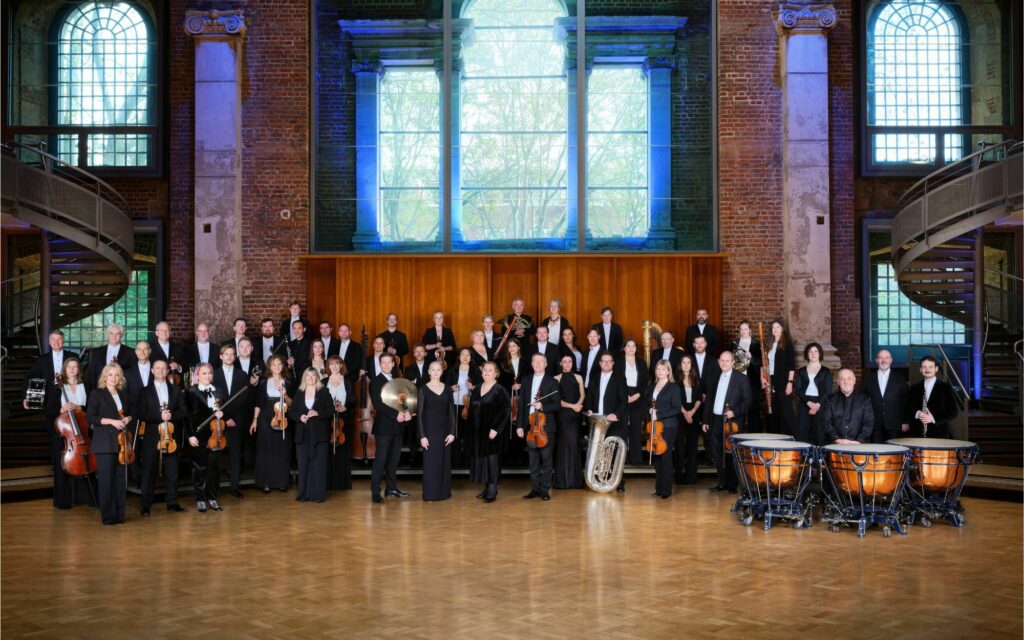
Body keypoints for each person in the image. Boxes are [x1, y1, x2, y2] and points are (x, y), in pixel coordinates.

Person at [22, 331, 79, 509]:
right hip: (52, 410)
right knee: (57, 451)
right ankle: (61, 493)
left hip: (72, 408)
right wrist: (27, 397)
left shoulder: (73, 357)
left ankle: (76, 493)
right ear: (49, 341)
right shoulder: (43, 360)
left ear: (63, 340)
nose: (56, 341)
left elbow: (82, 379)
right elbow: (29, 378)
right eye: (53, 339)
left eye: (59, 339)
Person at [41, 354, 95, 509]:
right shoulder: (58, 387)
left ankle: (89, 498)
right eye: (69, 367)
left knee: (88, 464)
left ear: (79, 369)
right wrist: (62, 408)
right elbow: (48, 411)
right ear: (64, 369)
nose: (72, 369)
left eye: (75, 366)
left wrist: (80, 409)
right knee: (62, 467)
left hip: (84, 430)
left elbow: (91, 408)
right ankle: (62, 501)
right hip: (65, 433)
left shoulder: (85, 386)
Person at [137, 359, 189, 515]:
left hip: (170, 436)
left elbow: (184, 411)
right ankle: (146, 504)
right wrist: (159, 416)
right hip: (152, 437)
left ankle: (172, 502)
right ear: (152, 371)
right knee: (148, 471)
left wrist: (171, 415)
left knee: (173, 471)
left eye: (163, 368)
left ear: (167, 371)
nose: (160, 371)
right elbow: (141, 414)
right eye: (157, 368)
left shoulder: (176, 390)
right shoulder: (145, 391)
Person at [86, 363, 133, 524]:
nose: (114, 378)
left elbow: (130, 413)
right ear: (105, 377)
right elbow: (91, 417)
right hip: (104, 442)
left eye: (117, 375)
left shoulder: (123, 394)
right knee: (106, 481)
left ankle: (120, 516)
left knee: (120, 481)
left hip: (121, 443)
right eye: (111, 374)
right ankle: (107, 516)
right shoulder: (96, 394)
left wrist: (128, 418)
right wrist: (112, 421)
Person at [702, 351, 752, 494]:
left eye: (727, 361)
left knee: (731, 453)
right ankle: (722, 482)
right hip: (715, 420)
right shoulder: (714, 378)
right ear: (719, 362)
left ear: (733, 362)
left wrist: (734, 412)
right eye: (722, 361)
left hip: (732, 422)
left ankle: (732, 484)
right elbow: (709, 401)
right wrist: (705, 421)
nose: (724, 363)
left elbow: (748, 401)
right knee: (717, 454)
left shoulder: (741, 379)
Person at [213, 344, 258, 498]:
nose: (230, 357)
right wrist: (225, 416)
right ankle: (214, 487)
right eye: (226, 354)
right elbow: (214, 398)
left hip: (237, 419)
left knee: (235, 453)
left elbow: (243, 398)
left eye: (232, 354)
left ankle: (234, 486)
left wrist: (231, 416)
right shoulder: (214, 374)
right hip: (218, 420)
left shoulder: (242, 374)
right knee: (216, 453)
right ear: (221, 356)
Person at [516, 353, 561, 500]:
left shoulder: (552, 382)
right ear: (532, 364)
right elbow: (522, 404)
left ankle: (544, 490)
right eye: (535, 361)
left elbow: (557, 404)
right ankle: (534, 489)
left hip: (545, 428)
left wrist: (542, 405)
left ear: (546, 364)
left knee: (546, 461)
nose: (538, 364)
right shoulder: (526, 380)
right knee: (533, 461)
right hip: (530, 427)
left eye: (541, 361)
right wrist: (519, 426)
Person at [370, 354, 413, 503]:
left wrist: (407, 412)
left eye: (389, 362)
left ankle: (392, 489)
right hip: (384, 427)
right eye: (384, 362)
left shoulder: (397, 381)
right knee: (380, 460)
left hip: (398, 426)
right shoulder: (375, 381)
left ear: (393, 364)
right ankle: (376, 492)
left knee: (394, 461)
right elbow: (378, 404)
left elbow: (403, 400)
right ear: (380, 364)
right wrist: (396, 415)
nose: (387, 365)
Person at [288, 368, 333, 503]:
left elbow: (331, 410)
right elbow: (292, 412)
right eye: (308, 375)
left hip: (319, 435)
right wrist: (299, 417)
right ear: (304, 378)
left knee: (319, 464)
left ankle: (318, 495)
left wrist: (318, 413)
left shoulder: (324, 391)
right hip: (302, 434)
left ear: (317, 377)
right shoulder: (299, 392)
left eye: (314, 375)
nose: (311, 378)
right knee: (303, 464)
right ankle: (304, 494)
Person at [185, 363, 225, 513]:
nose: (207, 376)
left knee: (214, 468)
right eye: (203, 373)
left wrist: (222, 414)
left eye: (209, 373)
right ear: (197, 376)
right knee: (200, 468)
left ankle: (213, 497)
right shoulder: (191, 392)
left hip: (216, 435)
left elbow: (223, 410)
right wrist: (190, 436)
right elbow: (187, 417)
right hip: (199, 435)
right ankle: (201, 498)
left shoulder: (218, 391)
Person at [250, 354, 293, 493]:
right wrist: (255, 420)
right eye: (274, 364)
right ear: (270, 366)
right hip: (265, 418)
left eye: (279, 364)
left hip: (282, 419)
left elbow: (292, 403)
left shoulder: (288, 382)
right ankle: (266, 482)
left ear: (283, 366)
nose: (276, 367)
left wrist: (285, 395)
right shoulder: (263, 382)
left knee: (281, 450)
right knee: (266, 450)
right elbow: (258, 403)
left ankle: (281, 481)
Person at [586, 352, 628, 492]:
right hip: (598, 420)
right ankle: (598, 479)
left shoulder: (620, 378)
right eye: (603, 361)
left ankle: (618, 482)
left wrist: (615, 414)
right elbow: (589, 397)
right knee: (599, 452)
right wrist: (589, 409)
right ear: (599, 363)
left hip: (613, 421)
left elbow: (623, 400)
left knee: (614, 452)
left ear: (613, 363)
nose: (606, 363)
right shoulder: (594, 378)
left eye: (609, 361)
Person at [469, 361, 510, 502]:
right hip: (478, 432)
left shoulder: (500, 390)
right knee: (483, 460)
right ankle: (487, 488)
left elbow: (506, 411)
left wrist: (496, 429)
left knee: (492, 460)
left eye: (490, 370)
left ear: (496, 373)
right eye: (485, 370)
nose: (486, 372)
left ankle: (492, 490)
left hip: (493, 431)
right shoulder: (477, 388)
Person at [419, 361, 456, 501]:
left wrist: (452, 432)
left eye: (438, 369)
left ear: (442, 372)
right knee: (431, 463)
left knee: (444, 462)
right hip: (429, 432)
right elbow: (420, 415)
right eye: (433, 369)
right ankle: (431, 493)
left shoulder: (447, 389)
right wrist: (422, 436)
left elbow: (451, 412)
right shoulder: (423, 389)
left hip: (445, 432)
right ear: (429, 371)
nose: (435, 372)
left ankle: (444, 492)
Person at [646, 360, 682, 499]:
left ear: (668, 371)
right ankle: (659, 488)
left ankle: (666, 490)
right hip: (655, 426)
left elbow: (676, 408)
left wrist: (658, 414)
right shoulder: (652, 387)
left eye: (663, 369)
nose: (660, 372)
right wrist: (649, 410)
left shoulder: (674, 388)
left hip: (669, 426)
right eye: (658, 369)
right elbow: (645, 403)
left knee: (665, 456)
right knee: (657, 457)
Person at [862, 349, 910, 443]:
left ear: (891, 360)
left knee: (893, 453)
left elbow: (905, 401)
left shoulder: (900, 378)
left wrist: (905, 421)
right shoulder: (868, 378)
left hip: (895, 424)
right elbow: (863, 400)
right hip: (874, 424)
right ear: (876, 360)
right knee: (876, 453)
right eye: (881, 358)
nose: (884, 361)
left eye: (886, 358)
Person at [907, 356, 959, 439]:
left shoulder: (946, 388)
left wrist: (933, 418)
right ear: (920, 369)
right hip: (917, 435)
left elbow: (953, 412)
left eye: (930, 367)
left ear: (936, 369)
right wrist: (918, 414)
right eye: (924, 367)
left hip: (939, 435)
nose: (927, 370)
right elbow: (908, 408)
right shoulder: (914, 388)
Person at [554, 354, 585, 490]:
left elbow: (582, 394)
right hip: (563, 414)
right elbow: (557, 400)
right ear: (561, 363)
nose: (567, 364)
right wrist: (573, 406)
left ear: (573, 363)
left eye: (570, 361)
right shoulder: (556, 378)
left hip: (575, 415)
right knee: (563, 443)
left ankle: (574, 480)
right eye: (564, 361)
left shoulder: (578, 377)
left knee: (574, 443)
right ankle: (563, 480)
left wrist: (578, 405)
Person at [446, 348, 480, 467]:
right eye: (463, 354)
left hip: (469, 406)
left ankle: (467, 460)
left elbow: (481, 388)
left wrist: (473, 387)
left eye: (468, 355)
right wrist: (451, 388)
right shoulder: (452, 371)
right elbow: (445, 387)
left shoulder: (476, 371)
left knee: (468, 434)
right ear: (459, 357)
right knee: (455, 432)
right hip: (455, 405)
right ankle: (455, 460)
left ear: (471, 358)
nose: (465, 357)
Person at [617, 339, 648, 466]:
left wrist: (638, 394)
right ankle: (622, 458)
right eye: (628, 346)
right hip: (622, 396)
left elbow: (645, 380)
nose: (630, 348)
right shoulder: (618, 363)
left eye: (633, 346)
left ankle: (636, 459)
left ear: (636, 348)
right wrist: (625, 396)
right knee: (622, 428)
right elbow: (617, 380)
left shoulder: (641, 362)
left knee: (636, 428)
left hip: (637, 396)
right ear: (624, 348)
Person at [821, 369, 874, 444]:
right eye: (842, 379)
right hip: (835, 445)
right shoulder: (829, 399)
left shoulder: (865, 399)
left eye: (849, 378)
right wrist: (837, 439)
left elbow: (868, 423)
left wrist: (858, 441)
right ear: (838, 382)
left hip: (859, 445)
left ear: (854, 381)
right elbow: (825, 422)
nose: (846, 382)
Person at [325, 356, 354, 491]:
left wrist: (345, 407)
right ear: (328, 366)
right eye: (332, 364)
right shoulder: (324, 381)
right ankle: (329, 481)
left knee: (342, 450)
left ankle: (342, 482)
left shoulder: (347, 382)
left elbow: (353, 399)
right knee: (328, 450)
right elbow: (320, 400)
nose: (335, 366)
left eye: (337, 364)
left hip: (343, 420)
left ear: (341, 366)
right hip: (327, 420)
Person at [794, 342, 832, 445]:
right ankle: (802, 457)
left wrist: (817, 405)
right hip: (805, 403)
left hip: (821, 404)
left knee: (819, 432)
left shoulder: (826, 371)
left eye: (816, 351)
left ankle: (819, 458)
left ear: (820, 354)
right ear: (807, 354)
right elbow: (798, 389)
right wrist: (809, 403)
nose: (813, 354)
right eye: (810, 352)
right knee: (802, 431)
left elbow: (828, 391)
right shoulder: (801, 371)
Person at [728, 321, 763, 432]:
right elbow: (729, 360)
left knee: (753, 408)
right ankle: (738, 433)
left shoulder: (756, 344)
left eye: (745, 329)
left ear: (750, 330)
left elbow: (761, 363)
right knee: (737, 407)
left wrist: (751, 357)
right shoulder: (734, 343)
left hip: (752, 380)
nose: (743, 332)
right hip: (737, 380)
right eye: (741, 329)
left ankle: (755, 436)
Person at [676, 354, 704, 485]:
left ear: (691, 365)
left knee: (692, 447)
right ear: (680, 365)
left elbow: (699, 399)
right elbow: (676, 400)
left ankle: (691, 476)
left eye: (688, 363)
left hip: (694, 414)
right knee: (680, 446)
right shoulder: (675, 380)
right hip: (680, 415)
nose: (686, 365)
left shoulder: (697, 380)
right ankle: (679, 476)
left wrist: (691, 413)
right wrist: (685, 413)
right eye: (683, 363)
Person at [765, 319, 796, 435]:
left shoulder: (787, 344)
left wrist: (790, 383)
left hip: (783, 382)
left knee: (786, 413)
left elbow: (791, 366)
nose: (775, 329)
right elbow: (766, 364)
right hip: (771, 381)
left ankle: (792, 440)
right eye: (773, 328)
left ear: (782, 329)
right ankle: (774, 438)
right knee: (772, 412)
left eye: (777, 327)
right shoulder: (769, 344)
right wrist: (764, 378)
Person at [500, 338, 527, 468]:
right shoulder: (503, 363)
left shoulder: (525, 362)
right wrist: (510, 387)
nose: (511, 348)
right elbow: (500, 382)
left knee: (520, 424)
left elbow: (528, 379)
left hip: (521, 397)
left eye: (514, 346)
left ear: (519, 347)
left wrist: (521, 385)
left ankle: (519, 455)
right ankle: (508, 455)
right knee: (508, 426)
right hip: (508, 398)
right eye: (509, 346)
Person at [87, 323, 135, 389]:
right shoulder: (96, 352)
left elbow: (132, 376)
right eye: (111, 333)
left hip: (122, 391)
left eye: (117, 334)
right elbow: (92, 375)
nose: (114, 336)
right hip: (100, 391)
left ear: (121, 335)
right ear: (107, 334)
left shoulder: (131, 352)